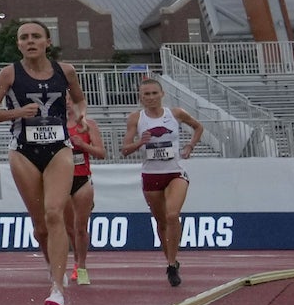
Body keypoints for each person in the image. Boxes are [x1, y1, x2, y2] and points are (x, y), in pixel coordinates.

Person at [0, 20, 89, 305]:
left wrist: (80, 117)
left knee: (55, 213)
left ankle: (57, 289)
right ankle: (52, 265)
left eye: (36, 36)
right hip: (23, 151)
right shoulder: (9, 73)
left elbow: (80, 100)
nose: (30, 41)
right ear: (18, 44)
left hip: (59, 149)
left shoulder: (65, 71)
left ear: (47, 42)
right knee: (41, 226)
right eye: (24, 38)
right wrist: (18, 112)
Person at [122, 73, 204, 287]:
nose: (150, 97)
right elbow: (125, 149)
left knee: (172, 215)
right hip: (151, 176)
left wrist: (190, 146)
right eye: (146, 94)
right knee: (161, 222)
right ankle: (172, 260)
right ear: (140, 97)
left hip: (175, 172)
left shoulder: (175, 113)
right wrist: (140, 143)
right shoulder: (136, 118)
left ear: (162, 94)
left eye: (154, 93)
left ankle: (171, 263)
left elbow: (198, 127)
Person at [63, 106, 107, 287]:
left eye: (70, 99)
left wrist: (82, 145)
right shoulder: (55, 125)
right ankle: (75, 261)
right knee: (69, 228)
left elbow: (101, 153)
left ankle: (82, 267)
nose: (67, 103)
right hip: (62, 180)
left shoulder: (88, 125)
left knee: (80, 227)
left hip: (82, 179)